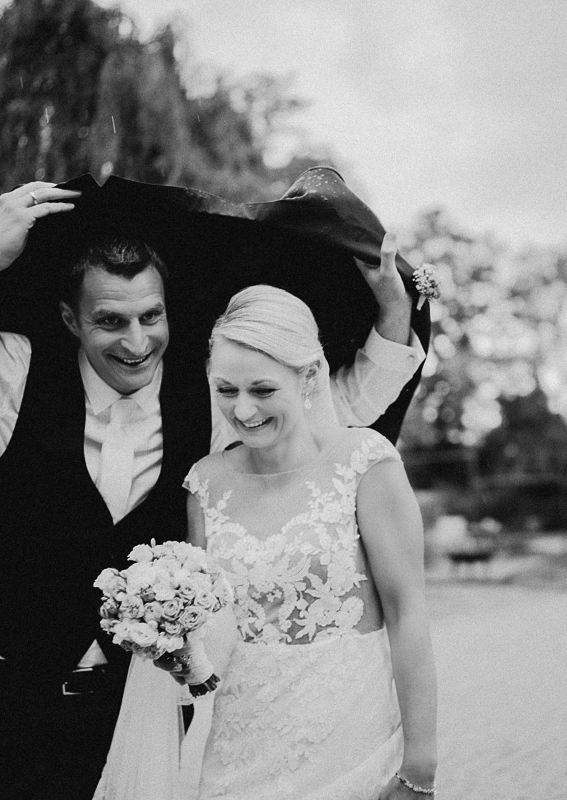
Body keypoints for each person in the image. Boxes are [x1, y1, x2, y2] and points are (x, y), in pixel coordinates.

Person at [0, 181, 425, 800]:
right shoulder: (11, 370)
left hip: (146, 715)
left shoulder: (213, 396)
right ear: (70, 318)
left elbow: (334, 406)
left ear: (169, 308)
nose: (136, 343)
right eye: (110, 322)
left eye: (151, 317)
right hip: (16, 712)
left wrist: (393, 314)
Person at [168, 285, 438, 798]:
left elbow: (408, 615)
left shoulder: (365, 464)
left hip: (351, 745)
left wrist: (419, 768)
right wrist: (180, 652)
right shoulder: (204, 484)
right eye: (226, 390)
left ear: (310, 376)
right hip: (235, 753)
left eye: (263, 391)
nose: (243, 411)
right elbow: (212, 641)